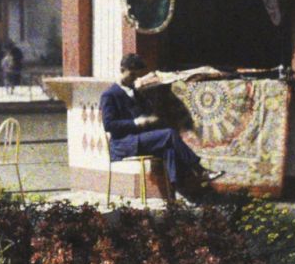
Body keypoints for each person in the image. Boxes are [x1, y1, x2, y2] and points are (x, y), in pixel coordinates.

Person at [99, 54, 235, 207]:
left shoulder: (134, 91)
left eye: (136, 76)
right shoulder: (109, 95)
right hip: (123, 143)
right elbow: (109, 125)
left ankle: (178, 193)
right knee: (169, 134)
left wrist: (146, 107)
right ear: (121, 70)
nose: (134, 79)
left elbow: (148, 111)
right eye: (131, 75)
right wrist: (136, 122)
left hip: (139, 140)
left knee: (170, 149)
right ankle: (200, 169)